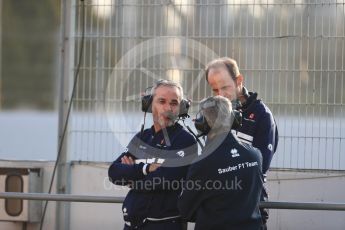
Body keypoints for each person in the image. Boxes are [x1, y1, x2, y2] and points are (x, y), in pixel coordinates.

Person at [108, 79, 197, 230]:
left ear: (181, 108)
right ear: (149, 104)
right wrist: (146, 169)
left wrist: (132, 181)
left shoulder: (185, 141)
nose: (168, 108)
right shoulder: (142, 137)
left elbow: (165, 179)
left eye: (174, 103)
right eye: (162, 101)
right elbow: (114, 172)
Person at [205, 57, 278, 228]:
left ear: (239, 80)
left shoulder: (262, 115)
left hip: (249, 205)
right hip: (218, 204)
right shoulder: (213, 111)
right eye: (215, 90)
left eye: (225, 87)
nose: (220, 95)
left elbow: (260, 166)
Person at [178, 96, 263, 230]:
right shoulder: (256, 155)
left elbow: (185, 210)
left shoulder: (202, 163)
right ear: (234, 118)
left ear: (203, 123)